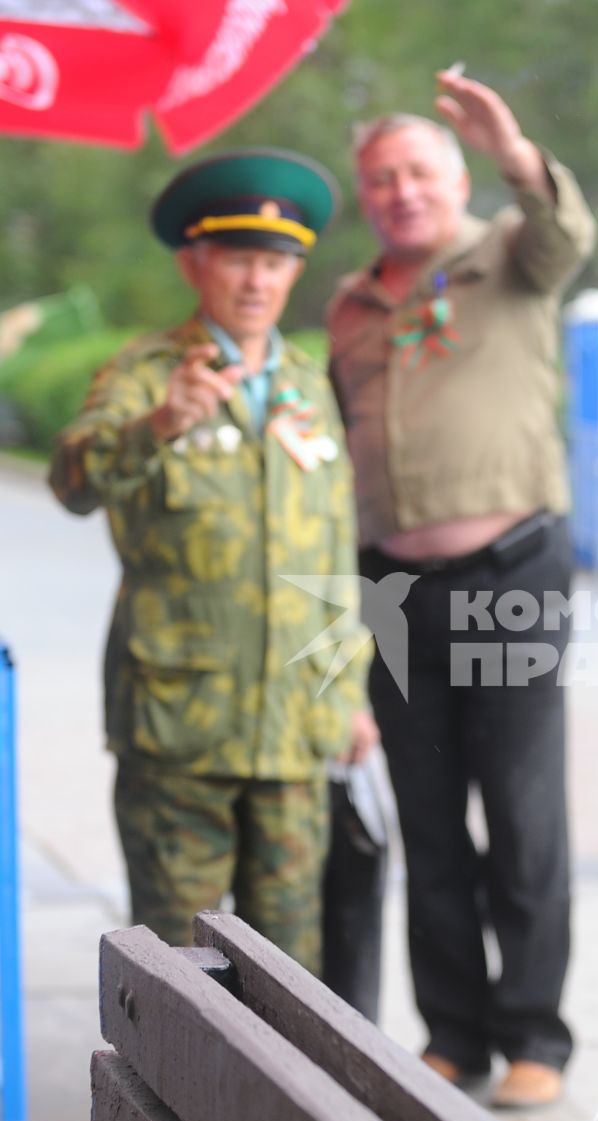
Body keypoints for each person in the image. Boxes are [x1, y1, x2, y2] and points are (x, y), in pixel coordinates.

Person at [327, 69, 596, 1108]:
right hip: (394, 586)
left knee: (522, 812)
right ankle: (455, 1034)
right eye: (382, 178)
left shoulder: (508, 255)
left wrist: (515, 153)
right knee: (429, 818)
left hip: (511, 571)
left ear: (453, 178)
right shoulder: (349, 305)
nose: (402, 191)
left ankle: (535, 1036)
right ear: (367, 195)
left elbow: (565, 231)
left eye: (420, 172)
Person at [49, 148, 375, 972]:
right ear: (196, 262)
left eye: (276, 263)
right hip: (179, 725)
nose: (258, 281)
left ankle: (281, 1107)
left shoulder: (306, 384)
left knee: (290, 968)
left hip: (297, 729)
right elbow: (75, 479)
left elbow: (336, 548)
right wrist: (157, 425)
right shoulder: (146, 373)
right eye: (239, 260)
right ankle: (171, 1109)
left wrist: (353, 694)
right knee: (175, 966)